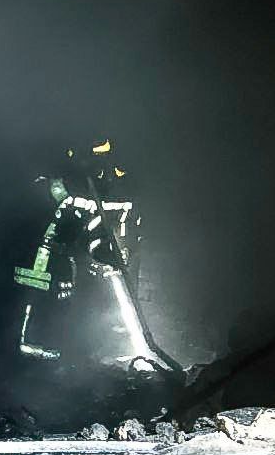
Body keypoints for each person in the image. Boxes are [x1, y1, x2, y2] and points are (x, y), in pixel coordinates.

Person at [12, 138, 168, 371]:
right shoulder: (60, 185)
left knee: (66, 300)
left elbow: (100, 221)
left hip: (65, 255)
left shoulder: (108, 187)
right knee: (38, 297)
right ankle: (29, 349)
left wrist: (108, 249)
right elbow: (70, 219)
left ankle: (67, 348)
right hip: (45, 254)